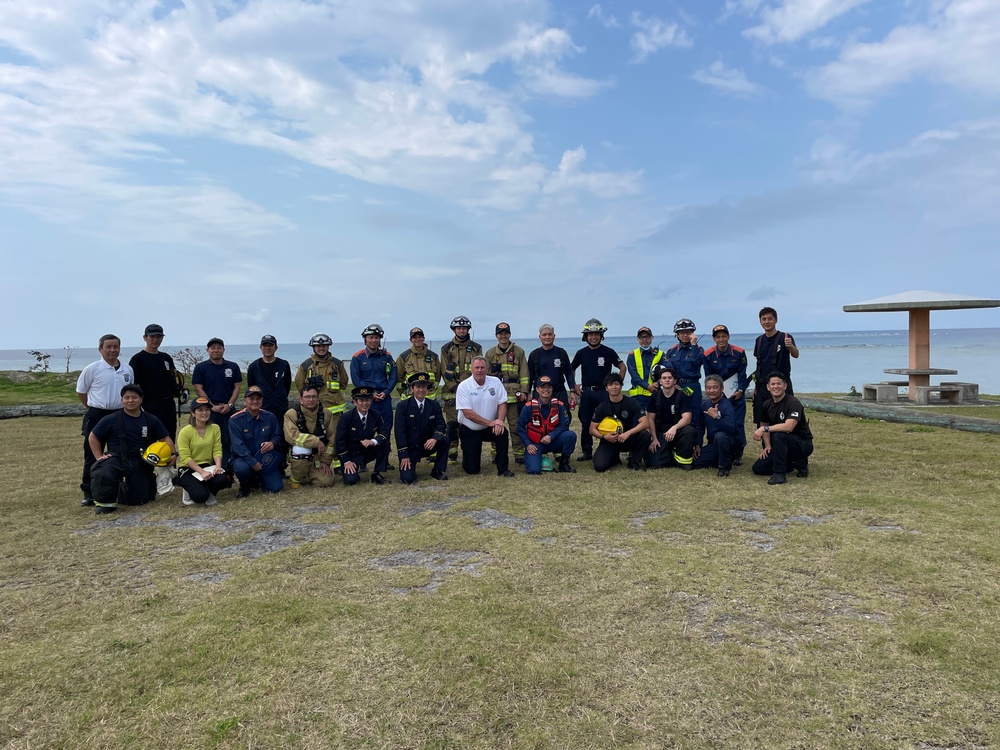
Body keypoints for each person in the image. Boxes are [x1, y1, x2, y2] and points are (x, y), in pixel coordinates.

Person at [88, 384, 176, 514]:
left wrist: (173, 454)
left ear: (141, 399)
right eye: (126, 398)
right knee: (103, 473)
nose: (130, 401)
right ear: (121, 400)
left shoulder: (151, 419)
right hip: (116, 457)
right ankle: (105, 503)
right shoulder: (111, 419)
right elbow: (93, 437)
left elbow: (165, 439)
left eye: (134, 397)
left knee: (140, 499)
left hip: (140, 460)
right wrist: (99, 457)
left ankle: (120, 489)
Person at [76, 333, 135, 507]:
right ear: (100, 349)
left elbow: (130, 392)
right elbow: (81, 391)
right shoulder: (92, 369)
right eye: (108, 347)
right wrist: (91, 408)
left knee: (122, 451)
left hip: (120, 414)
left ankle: (120, 487)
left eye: (115, 347)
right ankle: (89, 491)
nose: (112, 350)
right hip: (97, 413)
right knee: (92, 453)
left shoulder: (127, 370)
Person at [571, 318, 625, 462]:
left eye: (596, 334)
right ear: (585, 336)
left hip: (604, 393)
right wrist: (574, 386)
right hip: (587, 393)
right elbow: (571, 369)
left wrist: (618, 384)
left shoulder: (608, 352)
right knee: (586, 422)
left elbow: (622, 367)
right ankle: (587, 452)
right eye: (590, 334)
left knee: (610, 422)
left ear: (601, 336)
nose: (593, 337)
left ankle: (612, 451)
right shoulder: (581, 353)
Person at [294, 332, 350, 471]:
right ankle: (316, 464)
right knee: (316, 436)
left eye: (324, 345)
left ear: (328, 346)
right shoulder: (306, 365)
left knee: (336, 436)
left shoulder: (337, 364)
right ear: (313, 347)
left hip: (335, 408)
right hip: (315, 410)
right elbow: (300, 385)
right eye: (318, 346)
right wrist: (309, 383)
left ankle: (338, 464)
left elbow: (344, 382)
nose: (321, 348)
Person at [456, 356, 515, 477]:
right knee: (472, 470)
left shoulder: (495, 382)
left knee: (502, 433)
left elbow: (502, 403)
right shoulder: (464, 386)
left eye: (482, 367)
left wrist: (499, 421)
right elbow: (468, 413)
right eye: (477, 367)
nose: (479, 370)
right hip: (470, 429)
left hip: (490, 427)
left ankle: (503, 469)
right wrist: (490, 423)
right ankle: (467, 460)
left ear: (487, 368)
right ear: (471, 369)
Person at [751, 372, 813, 485]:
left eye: (779, 384)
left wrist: (764, 429)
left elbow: (789, 426)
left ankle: (779, 474)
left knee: (780, 435)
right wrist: (768, 445)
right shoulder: (766, 404)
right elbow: (764, 423)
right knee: (758, 468)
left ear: (785, 386)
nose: (776, 387)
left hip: (801, 444)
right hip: (779, 445)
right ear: (768, 387)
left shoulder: (793, 403)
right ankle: (793, 464)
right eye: (773, 384)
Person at [702, 324, 749, 465]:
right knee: (715, 421)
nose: (721, 339)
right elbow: (709, 376)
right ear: (713, 339)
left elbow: (742, 374)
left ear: (728, 337)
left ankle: (738, 453)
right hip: (718, 395)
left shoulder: (739, 352)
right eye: (718, 337)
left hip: (736, 395)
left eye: (724, 336)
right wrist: (713, 393)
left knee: (737, 424)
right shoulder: (708, 354)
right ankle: (715, 448)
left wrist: (741, 390)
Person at [192, 337, 242, 467]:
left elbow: (237, 386)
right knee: (210, 438)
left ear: (223, 350)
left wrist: (230, 404)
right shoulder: (201, 367)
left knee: (229, 439)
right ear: (207, 350)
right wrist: (211, 406)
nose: (216, 350)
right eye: (213, 348)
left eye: (219, 348)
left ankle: (229, 468)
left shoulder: (233, 366)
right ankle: (210, 466)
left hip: (228, 409)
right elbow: (198, 388)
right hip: (209, 410)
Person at [484, 322, 530, 464]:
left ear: (509, 334)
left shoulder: (519, 352)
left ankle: (519, 455)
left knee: (515, 427)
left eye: (505, 333)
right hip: (495, 397)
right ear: (496, 336)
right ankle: (496, 455)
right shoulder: (490, 353)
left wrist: (524, 391)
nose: (503, 336)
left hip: (514, 396)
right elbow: (484, 376)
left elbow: (524, 373)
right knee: (496, 426)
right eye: (500, 333)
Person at [440, 315, 483, 463]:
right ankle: (452, 455)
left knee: (469, 425)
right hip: (452, 394)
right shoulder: (446, 349)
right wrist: (456, 388)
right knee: (452, 426)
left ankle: (468, 454)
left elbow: (479, 370)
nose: (461, 330)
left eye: (464, 328)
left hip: (471, 394)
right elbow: (444, 371)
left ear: (468, 329)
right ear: (454, 330)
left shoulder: (477, 348)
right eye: (458, 328)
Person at [589, 373, 651, 473]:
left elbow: (645, 423)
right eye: (610, 384)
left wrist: (628, 433)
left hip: (627, 439)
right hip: (609, 441)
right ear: (606, 388)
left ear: (621, 386)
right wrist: (604, 437)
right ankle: (613, 458)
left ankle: (634, 461)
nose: (614, 387)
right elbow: (592, 429)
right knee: (599, 467)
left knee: (645, 435)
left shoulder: (631, 402)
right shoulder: (602, 407)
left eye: (616, 384)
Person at [395, 372, 450, 484]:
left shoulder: (434, 405)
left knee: (445, 440)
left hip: (428, 444)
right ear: (412, 389)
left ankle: (437, 470)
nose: (421, 390)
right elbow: (399, 432)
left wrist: (434, 438)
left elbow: (441, 425)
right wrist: (404, 454)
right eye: (418, 387)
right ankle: (410, 465)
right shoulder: (403, 406)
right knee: (408, 479)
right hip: (412, 448)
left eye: (423, 387)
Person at [175, 396, 232, 505]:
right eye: (200, 410)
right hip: (188, 468)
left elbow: (217, 449)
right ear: (193, 413)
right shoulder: (185, 431)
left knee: (223, 479)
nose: (204, 413)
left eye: (207, 410)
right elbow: (185, 457)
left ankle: (207, 489)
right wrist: (202, 472)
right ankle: (188, 488)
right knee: (200, 497)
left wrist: (218, 467)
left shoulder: (215, 428)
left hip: (207, 465)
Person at [128, 323, 180, 441]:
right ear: (145, 338)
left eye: (158, 337)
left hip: (168, 404)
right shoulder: (138, 359)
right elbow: (132, 385)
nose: (155, 340)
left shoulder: (166, 358)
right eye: (152, 337)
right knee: (150, 437)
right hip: (150, 404)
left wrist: (183, 389)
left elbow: (174, 377)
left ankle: (169, 459)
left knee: (169, 436)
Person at [229, 385, 283, 497]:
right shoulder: (235, 420)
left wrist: (272, 443)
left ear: (262, 400)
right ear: (244, 401)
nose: (255, 401)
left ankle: (258, 480)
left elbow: (277, 436)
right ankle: (245, 486)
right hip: (243, 459)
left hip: (264, 460)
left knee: (276, 487)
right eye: (251, 398)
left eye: (258, 398)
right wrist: (252, 462)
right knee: (242, 469)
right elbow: (238, 445)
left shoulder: (270, 417)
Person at [517, 375, 577, 474]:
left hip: (552, 441)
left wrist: (551, 436)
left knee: (570, 435)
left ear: (552, 389)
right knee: (534, 471)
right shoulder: (528, 407)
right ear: (537, 389)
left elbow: (564, 425)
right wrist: (528, 444)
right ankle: (534, 458)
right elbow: (520, 427)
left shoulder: (560, 405)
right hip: (535, 444)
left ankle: (564, 464)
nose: (546, 389)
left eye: (549, 387)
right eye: (542, 387)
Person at [336, 386, 392, 485]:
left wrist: (373, 441)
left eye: (367, 400)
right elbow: (340, 441)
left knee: (385, 443)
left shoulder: (376, 415)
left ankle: (376, 473)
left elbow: (385, 432)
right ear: (355, 402)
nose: (365, 403)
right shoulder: (346, 417)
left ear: (371, 400)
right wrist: (346, 461)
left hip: (367, 451)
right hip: (352, 455)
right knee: (351, 481)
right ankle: (354, 470)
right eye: (361, 400)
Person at [752, 307, 799, 425]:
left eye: (770, 319)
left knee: (783, 418)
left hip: (781, 385)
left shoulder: (785, 337)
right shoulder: (759, 340)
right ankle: (766, 443)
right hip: (763, 386)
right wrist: (756, 387)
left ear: (776, 320)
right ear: (760, 321)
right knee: (762, 420)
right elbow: (759, 365)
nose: (767, 322)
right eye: (764, 319)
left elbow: (796, 354)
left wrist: (790, 346)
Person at [282, 384, 335, 488]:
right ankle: (296, 478)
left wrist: (326, 461)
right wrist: (316, 442)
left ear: (318, 399)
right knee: (300, 449)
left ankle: (311, 473)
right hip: (299, 455)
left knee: (326, 482)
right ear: (301, 399)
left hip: (318, 457)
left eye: (314, 396)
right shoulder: (291, 414)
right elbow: (292, 436)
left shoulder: (326, 413)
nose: (311, 399)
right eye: (307, 397)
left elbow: (332, 439)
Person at [645, 365, 697, 469]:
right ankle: (669, 453)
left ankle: (682, 460)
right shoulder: (655, 396)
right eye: (664, 378)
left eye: (670, 378)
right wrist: (654, 439)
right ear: (660, 381)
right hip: (662, 432)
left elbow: (687, 418)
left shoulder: (682, 396)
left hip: (678, 430)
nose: (667, 380)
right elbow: (650, 419)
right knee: (654, 464)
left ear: (675, 381)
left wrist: (674, 428)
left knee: (689, 431)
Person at [350, 323, 398, 437]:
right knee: (365, 431)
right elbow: (356, 379)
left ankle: (384, 452)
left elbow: (393, 376)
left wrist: (386, 392)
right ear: (365, 339)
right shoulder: (357, 357)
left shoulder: (387, 356)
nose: (374, 340)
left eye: (376, 338)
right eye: (371, 337)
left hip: (384, 399)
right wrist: (371, 394)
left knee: (385, 430)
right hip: (366, 400)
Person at [692, 374, 739, 477]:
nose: (712, 390)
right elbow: (700, 426)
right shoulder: (704, 405)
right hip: (713, 444)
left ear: (722, 388)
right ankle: (717, 459)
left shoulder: (727, 405)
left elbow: (731, 429)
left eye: (715, 387)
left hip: (727, 442)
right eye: (709, 388)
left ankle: (724, 467)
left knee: (720, 436)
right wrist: (698, 444)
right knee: (694, 463)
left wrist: (717, 417)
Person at [665, 318, 705, 433]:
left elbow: (696, 362)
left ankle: (696, 446)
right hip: (676, 387)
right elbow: (668, 371)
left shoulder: (699, 349)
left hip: (693, 386)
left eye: (688, 332)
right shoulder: (671, 351)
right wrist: (673, 385)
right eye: (682, 332)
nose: (685, 335)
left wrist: (693, 345)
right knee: (676, 415)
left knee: (695, 416)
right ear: (677, 335)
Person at [528, 324, 576, 409]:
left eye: (550, 334)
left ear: (554, 336)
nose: (547, 337)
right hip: (540, 393)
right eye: (544, 335)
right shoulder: (534, 355)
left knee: (563, 419)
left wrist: (572, 391)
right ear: (540, 337)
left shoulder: (561, 353)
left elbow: (568, 373)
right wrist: (528, 393)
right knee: (538, 419)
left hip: (559, 392)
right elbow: (530, 376)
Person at [246, 334, 292, 417]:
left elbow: (287, 385)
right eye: (265, 345)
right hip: (262, 407)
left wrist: (280, 395)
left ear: (276, 347)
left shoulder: (283, 365)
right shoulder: (254, 366)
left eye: (270, 345)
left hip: (280, 406)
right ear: (260, 347)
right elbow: (251, 388)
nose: (267, 348)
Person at [396, 327, 443, 402]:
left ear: (423, 338)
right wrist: (404, 392)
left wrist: (432, 389)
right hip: (410, 398)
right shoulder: (403, 357)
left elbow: (438, 376)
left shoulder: (434, 357)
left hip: (430, 397)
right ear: (410, 340)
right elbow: (398, 379)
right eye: (414, 337)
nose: (417, 339)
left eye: (420, 337)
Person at [625, 326, 664, 411]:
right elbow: (634, 376)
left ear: (652, 338)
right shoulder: (632, 355)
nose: (644, 339)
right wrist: (647, 386)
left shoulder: (660, 354)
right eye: (642, 337)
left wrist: (657, 383)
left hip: (655, 394)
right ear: (637, 339)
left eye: (647, 337)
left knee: (656, 421)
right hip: (638, 397)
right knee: (639, 422)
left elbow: (669, 371)